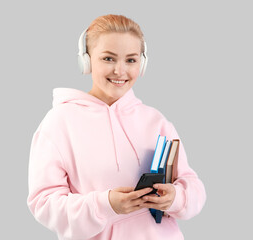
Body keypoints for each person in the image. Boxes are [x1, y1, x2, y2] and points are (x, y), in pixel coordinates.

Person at [27, 14, 206, 240]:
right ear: (86, 60)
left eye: (130, 60)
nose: (120, 71)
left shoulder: (156, 121)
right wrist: (105, 204)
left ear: (142, 64)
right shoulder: (58, 123)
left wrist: (176, 198)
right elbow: (43, 203)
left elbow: (193, 186)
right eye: (108, 59)